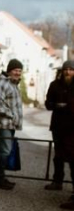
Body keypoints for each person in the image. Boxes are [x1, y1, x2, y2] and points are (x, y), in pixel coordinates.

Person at [0, 58, 24, 190]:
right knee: (5, 151)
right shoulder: (2, 83)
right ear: (10, 70)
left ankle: (0, 177)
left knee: (4, 150)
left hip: (10, 124)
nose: (18, 73)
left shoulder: (13, 84)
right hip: (3, 123)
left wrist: (15, 119)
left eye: (20, 71)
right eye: (16, 70)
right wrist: (12, 115)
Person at [44, 60, 74, 191]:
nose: (68, 72)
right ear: (62, 71)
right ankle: (57, 181)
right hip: (58, 125)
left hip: (72, 127)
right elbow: (48, 104)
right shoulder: (54, 85)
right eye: (66, 69)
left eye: (71, 69)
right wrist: (55, 105)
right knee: (58, 156)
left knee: (73, 157)